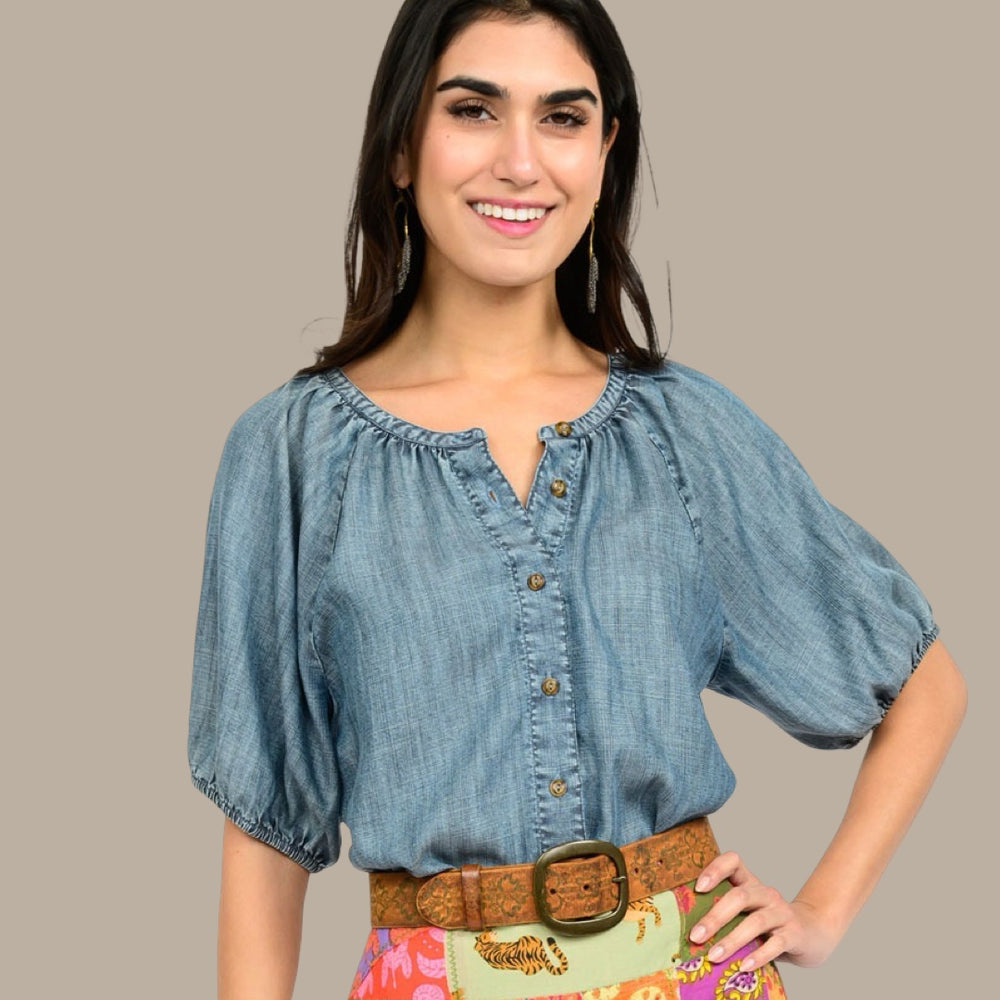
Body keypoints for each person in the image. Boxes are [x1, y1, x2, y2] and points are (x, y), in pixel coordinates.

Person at [187, 1, 966, 997]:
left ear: (604, 154)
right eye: (473, 110)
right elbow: (265, 828)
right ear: (400, 146)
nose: (521, 162)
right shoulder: (290, 452)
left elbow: (922, 683)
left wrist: (821, 911)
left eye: (562, 118)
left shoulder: (679, 431)